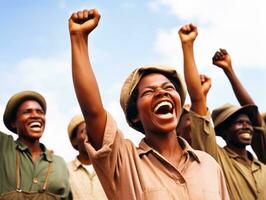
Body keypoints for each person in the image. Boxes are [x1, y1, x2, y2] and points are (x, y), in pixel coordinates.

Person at [69, 8, 229, 200]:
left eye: (169, 88)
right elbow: (93, 112)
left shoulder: (210, 166)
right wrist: (78, 39)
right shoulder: (124, 162)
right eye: (149, 91)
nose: (161, 92)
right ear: (134, 114)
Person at [180, 23, 266, 200]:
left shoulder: (263, 165)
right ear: (223, 130)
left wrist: (229, 70)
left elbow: (258, 120)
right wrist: (188, 46)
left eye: (248, 123)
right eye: (239, 122)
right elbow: (199, 110)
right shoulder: (216, 159)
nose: (247, 126)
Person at [0, 91, 72, 200]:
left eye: (40, 112)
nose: (35, 116)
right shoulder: (3, 146)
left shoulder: (59, 163)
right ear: (14, 123)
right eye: (27, 112)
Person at [67, 114, 107, 200]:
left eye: (93, 130)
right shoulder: (66, 171)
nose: (91, 135)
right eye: (84, 131)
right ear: (74, 140)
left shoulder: (108, 169)